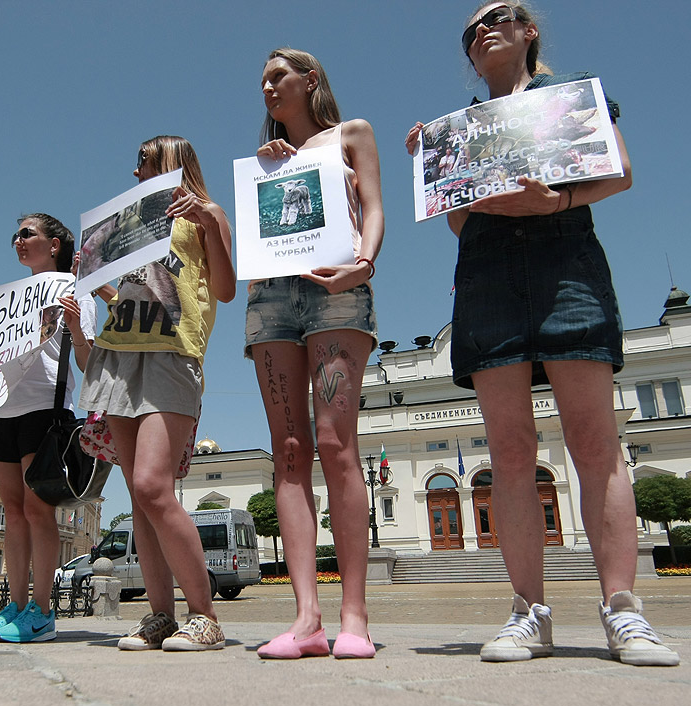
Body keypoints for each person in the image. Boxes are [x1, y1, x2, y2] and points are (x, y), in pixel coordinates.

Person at [405, 3, 678, 666]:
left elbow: (620, 173)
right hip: (489, 272)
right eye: (471, 30)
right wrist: (435, 170)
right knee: (510, 448)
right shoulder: (460, 126)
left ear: (528, 31)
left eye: (499, 17)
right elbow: (459, 226)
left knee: (593, 440)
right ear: (470, 55)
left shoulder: (569, 94)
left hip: (565, 259)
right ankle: (530, 611)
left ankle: (623, 609)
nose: (483, 30)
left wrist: (554, 200)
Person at [246, 49, 384, 660]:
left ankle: (354, 613)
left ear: (312, 78)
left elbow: (374, 208)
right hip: (271, 296)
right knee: (290, 448)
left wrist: (365, 262)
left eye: (279, 76)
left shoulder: (352, 134)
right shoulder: (262, 161)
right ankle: (306, 618)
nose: (269, 87)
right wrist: (269, 172)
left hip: (337, 289)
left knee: (335, 441)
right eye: (263, 82)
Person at [79, 135, 236, 651]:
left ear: (172, 160)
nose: (135, 173)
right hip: (118, 350)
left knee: (152, 486)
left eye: (143, 162)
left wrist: (211, 221)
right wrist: (92, 271)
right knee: (137, 496)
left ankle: (204, 615)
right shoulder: (128, 224)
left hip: (173, 351)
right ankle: (161, 616)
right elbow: (126, 289)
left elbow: (225, 288)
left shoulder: (205, 215)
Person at [0, 214, 97, 643]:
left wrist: (77, 327)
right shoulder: (11, 297)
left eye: (28, 234)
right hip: (1, 410)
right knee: (12, 510)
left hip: (45, 406)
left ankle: (43, 612)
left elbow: (87, 363)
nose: (18, 241)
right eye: (16, 236)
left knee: (37, 508)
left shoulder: (76, 291)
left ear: (56, 245)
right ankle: (17, 606)